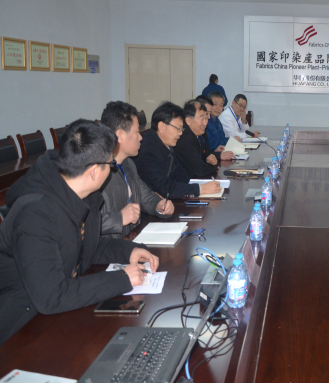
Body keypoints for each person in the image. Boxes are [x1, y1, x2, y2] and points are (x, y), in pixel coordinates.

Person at [0, 119, 159, 344]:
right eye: (110, 164)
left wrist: (128, 251)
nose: (111, 170)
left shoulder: (83, 197)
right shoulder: (34, 213)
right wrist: (122, 279)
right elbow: (51, 296)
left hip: (57, 314)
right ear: (94, 172)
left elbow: (87, 246)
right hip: (19, 329)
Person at [100, 101, 175, 238]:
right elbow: (85, 225)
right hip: (111, 248)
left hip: (132, 238)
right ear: (120, 136)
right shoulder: (98, 172)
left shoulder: (128, 164)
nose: (141, 137)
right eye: (136, 132)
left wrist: (159, 205)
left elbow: (144, 195)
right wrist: (119, 218)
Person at [133, 101, 221, 199]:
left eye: (181, 129)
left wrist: (189, 189)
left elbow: (181, 175)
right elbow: (164, 189)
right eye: (178, 128)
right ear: (161, 126)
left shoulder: (167, 145)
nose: (180, 133)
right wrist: (201, 189)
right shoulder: (146, 151)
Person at [174, 100, 219, 179]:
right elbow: (200, 169)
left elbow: (205, 156)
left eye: (206, 118)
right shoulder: (183, 139)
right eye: (202, 118)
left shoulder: (199, 134)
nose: (205, 123)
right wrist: (214, 167)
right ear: (188, 120)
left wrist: (211, 158)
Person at [198, 94, 235, 161]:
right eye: (215, 104)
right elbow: (211, 144)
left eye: (221, 105)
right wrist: (229, 141)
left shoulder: (217, 120)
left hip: (215, 154)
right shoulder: (206, 123)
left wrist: (231, 140)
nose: (218, 108)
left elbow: (222, 138)